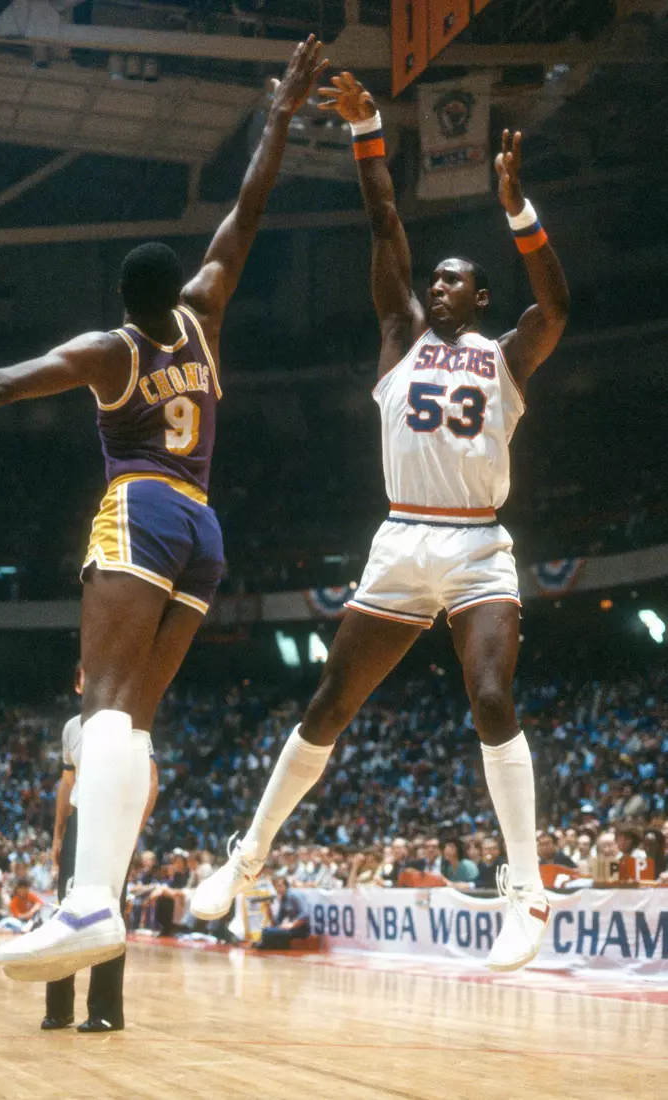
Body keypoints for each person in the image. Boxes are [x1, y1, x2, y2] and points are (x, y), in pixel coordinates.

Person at [0, 36, 327, 983]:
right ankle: (95, 905)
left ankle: (88, 903)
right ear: (174, 286)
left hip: (142, 506)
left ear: (119, 297)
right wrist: (278, 116)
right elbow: (248, 209)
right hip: (206, 526)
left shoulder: (110, 351)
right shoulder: (208, 306)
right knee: (133, 725)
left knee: (99, 710)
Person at [192, 71, 570, 975]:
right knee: (329, 704)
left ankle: (526, 893)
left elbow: (555, 307)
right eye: (434, 280)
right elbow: (386, 229)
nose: (438, 287)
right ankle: (245, 860)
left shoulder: (507, 354)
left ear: (478, 299)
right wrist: (367, 132)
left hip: (478, 544)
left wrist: (520, 217)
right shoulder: (398, 339)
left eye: (455, 282)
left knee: (489, 699)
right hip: (401, 541)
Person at [42, 698, 158, 1033]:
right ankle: (59, 1009)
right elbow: (67, 783)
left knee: (110, 912)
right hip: (80, 821)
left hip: (115, 823)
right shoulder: (72, 727)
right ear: (79, 682)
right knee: (65, 910)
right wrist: (59, 834)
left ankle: (106, 1011)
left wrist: (133, 830)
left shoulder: (133, 724)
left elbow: (151, 778)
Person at [254, 876, 310, 950]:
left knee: (266, 933)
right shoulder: (283, 898)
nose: (277, 889)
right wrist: (269, 911)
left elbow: (305, 914)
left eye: (280, 886)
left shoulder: (294, 895)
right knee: (266, 930)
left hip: (301, 929)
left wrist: (292, 925)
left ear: (286, 886)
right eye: (276, 887)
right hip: (291, 929)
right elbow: (277, 923)